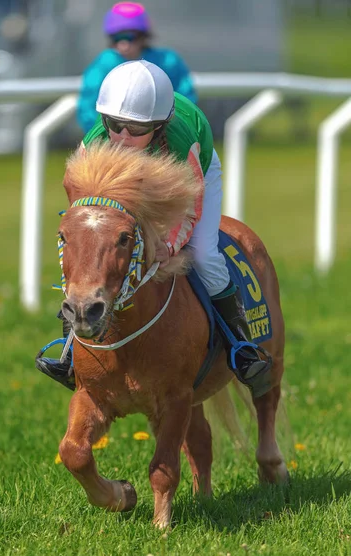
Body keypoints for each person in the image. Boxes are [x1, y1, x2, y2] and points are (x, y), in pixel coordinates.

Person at [37, 60, 271, 394]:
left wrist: (169, 245)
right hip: (127, 192)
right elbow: (78, 202)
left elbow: (189, 208)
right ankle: (70, 352)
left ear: (160, 126)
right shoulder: (94, 144)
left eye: (136, 130)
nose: (122, 136)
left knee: (203, 253)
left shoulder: (181, 143)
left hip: (191, 182)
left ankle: (241, 348)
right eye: (114, 124)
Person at [77, 1, 197, 133]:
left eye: (130, 37)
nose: (124, 45)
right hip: (114, 135)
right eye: (117, 38)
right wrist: (102, 135)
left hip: (161, 134)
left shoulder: (168, 61)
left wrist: (173, 132)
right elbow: (88, 105)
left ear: (143, 36)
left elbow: (185, 101)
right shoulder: (104, 64)